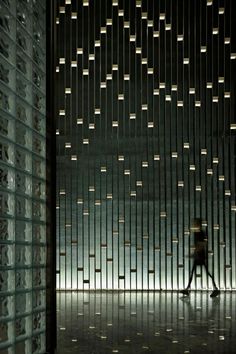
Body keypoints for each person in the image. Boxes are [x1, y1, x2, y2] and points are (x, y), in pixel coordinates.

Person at [180, 218, 220, 297]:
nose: (194, 225)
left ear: (199, 224)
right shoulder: (196, 233)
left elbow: (204, 243)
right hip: (198, 255)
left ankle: (216, 289)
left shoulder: (201, 233)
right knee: (195, 272)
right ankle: (188, 289)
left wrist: (197, 249)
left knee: (206, 272)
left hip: (200, 255)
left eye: (195, 223)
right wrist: (194, 252)